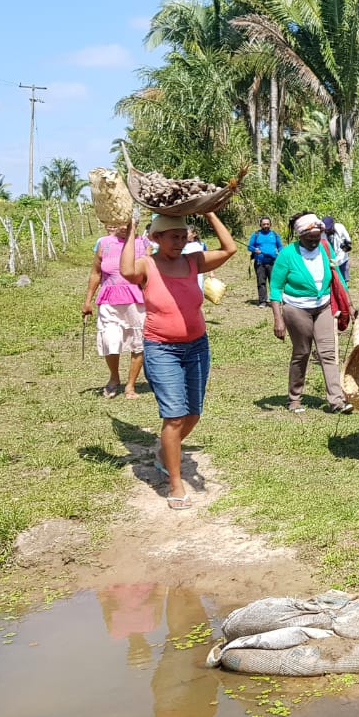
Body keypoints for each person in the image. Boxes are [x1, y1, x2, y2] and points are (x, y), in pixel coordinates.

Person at [120, 212, 237, 510]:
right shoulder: (147, 265)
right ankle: (175, 482)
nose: (180, 242)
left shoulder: (193, 261)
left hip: (197, 346)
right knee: (173, 417)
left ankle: (164, 451)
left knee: (193, 414)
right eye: (173, 236)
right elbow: (125, 272)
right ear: (156, 238)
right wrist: (132, 230)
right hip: (162, 349)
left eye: (183, 236)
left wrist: (209, 211)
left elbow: (229, 249)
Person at [269, 212, 353, 414]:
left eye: (317, 237)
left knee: (329, 353)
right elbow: (275, 288)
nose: (315, 242)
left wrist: (348, 303)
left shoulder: (325, 248)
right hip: (296, 309)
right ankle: (294, 398)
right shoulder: (288, 254)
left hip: (323, 306)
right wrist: (278, 319)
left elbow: (336, 276)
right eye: (310, 239)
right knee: (302, 352)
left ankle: (337, 401)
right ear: (300, 236)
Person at [83, 222, 147, 399]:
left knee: (138, 342)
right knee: (110, 339)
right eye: (120, 223)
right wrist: (87, 300)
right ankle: (114, 377)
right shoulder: (104, 243)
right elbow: (96, 273)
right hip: (109, 300)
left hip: (137, 301)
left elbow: (151, 274)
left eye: (129, 223)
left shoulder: (144, 243)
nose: (124, 227)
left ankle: (131, 386)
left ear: (136, 223)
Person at [247, 216, 283, 305]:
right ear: (260, 225)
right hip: (260, 262)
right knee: (261, 282)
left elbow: (280, 247)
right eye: (264, 224)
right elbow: (249, 246)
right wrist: (255, 250)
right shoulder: (256, 234)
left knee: (274, 282)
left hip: (273, 262)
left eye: (267, 224)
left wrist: (281, 255)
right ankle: (262, 301)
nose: (266, 225)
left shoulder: (274, 234)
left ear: (270, 224)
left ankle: (275, 300)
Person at [322, 214, 352, 284]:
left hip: (342, 258)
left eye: (328, 229)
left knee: (344, 279)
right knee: (331, 280)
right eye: (325, 229)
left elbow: (348, 243)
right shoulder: (321, 233)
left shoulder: (340, 228)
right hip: (328, 259)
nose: (327, 231)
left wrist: (337, 260)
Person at [181, 225, 205, 292]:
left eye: (187, 233)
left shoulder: (200, 245)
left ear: (194, 234)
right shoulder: (181, 245)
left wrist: (212, 273)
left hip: (197, 273)